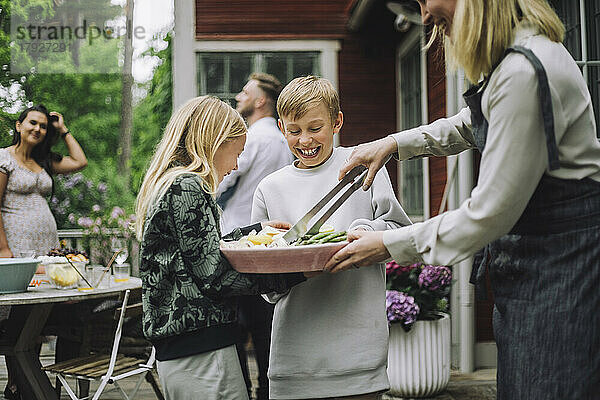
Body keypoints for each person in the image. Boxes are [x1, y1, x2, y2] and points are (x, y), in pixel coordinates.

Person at [324, 1, 600, 399]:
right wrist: (393, 143)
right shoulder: (512, 61)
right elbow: (471, 123)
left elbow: (489, 215)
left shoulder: (524, 71)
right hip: (536, 274)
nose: (425, 15)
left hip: (562, 278)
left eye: (426, 2)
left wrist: (388, 244)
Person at [135, 95, 307, 400]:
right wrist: (297, 272)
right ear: (214, 142)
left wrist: (256, 231)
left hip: (186, 349)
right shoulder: (188, 187)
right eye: (236, 153)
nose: (236, 165)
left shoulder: (170, 183)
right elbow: (214, 276)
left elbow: (198, 251)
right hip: (202, 349)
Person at [252, 76, 411, 400]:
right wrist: (287, 262)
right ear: (281, 127)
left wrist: (368, 233)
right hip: (293, 364)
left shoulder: (364, 167)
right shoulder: (270, 188)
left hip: (359, 358)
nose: (305, 140)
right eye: (294, 130)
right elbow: (263, 283)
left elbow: (398, 230)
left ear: (337, 121)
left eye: (315, 128)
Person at [0, 104, 87, 400]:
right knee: (18, 317)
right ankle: (16, 384)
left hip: (44, 249)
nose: (38, 129)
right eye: (32, 123)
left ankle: (24, 382)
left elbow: (80, 161)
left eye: (43, 126)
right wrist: (3, 248)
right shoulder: (4, 159)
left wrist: (63, 130)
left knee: (37, 317)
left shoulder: (45, 161)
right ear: (19, 125)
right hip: (16, 247)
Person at [217, 72, 293, 400]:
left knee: (235, 325)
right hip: (269, 239)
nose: (238, 97)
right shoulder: (281, 140)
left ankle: (242, 391)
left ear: (260, 101)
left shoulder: (253, 138)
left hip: (237, 238)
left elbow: (224, 180)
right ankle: (267, 390)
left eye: (245, 92)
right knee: (265, 325)